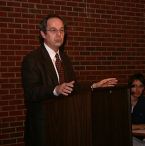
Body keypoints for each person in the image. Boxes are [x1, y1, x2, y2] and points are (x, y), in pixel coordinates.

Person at [21, 14, 118, 146]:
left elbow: (72, 87)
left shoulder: (64, 59)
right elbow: (31, 92)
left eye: (62, 30)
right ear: (43, 34)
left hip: (65, 126)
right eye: (53, 30)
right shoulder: (32, 59)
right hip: (43, 129)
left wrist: (95, 85)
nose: (59, 34)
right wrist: (55, 89)